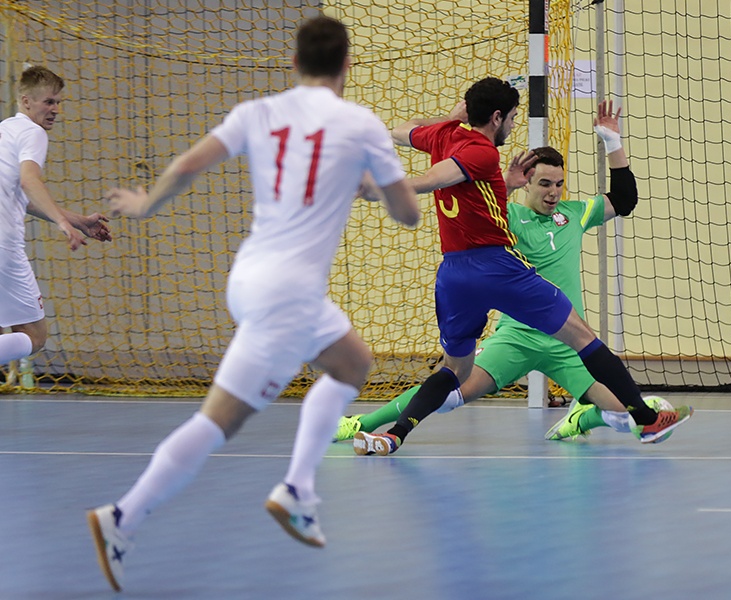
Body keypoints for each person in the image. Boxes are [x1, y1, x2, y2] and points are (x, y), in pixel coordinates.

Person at [86, 16, 419, 592]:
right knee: (222, 419)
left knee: (352, 362)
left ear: (294, 63)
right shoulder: (360, 123)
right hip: (288, 293)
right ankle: (124, 516)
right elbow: (408, 212)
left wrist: (145, 204)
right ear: (345, 66)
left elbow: (190, 164)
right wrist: (370, 187)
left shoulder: (258, 112)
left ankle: (299, 489)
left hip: (252, 275)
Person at [352, 81, 692, 458]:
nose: (553, 191)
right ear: (497, 117)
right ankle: (645, 420)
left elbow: (408, 133)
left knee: (454, 370)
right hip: (506, 305)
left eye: (559, 184)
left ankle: (394, 435)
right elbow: (436, 180)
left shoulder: (570, 212)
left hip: (458, 276)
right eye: (512, 117)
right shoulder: (497, 188)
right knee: (578, 339)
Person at [0, 66, 112, 372]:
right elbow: (29, 182)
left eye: (58, 102)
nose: (55, 109)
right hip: (4, 249)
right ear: (26, 101)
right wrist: (64, 226)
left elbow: (20, 198)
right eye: (48, 102)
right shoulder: (32, 133)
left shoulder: (5, 130)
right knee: (34, 337)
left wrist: (76, 220)